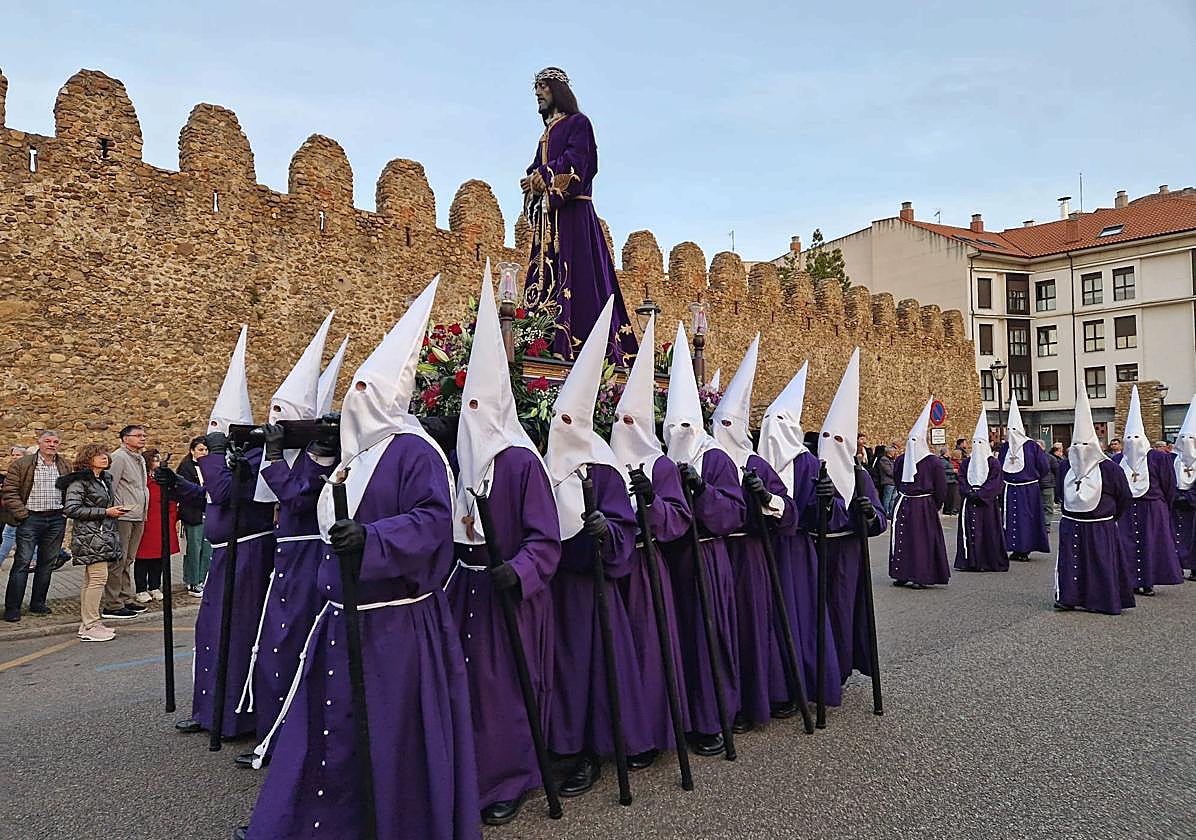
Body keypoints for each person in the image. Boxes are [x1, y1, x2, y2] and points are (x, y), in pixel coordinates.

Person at [239, 278, 480, 840]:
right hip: (341, 616)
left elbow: (430, 519)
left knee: (388, 729)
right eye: (356, 389)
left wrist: (371, 539)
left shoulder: (414, 450)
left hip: (394, 621)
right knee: (331, 727)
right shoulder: (355, 457)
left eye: (368, 390)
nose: (356, 400)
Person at [444, 265, 560, 826]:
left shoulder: (520, 463)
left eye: (478, 408)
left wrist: (520, 570)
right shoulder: (461, 464)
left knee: (504, 687)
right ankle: (469, 772)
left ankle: (512, 777)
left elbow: (546, 538)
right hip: (467, 587)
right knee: (466, 683)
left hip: (512, 593)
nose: (471, 419)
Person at [544, 297, 651, 795]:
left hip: (596, 588)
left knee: (600, 669)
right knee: (566, 672)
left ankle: (602, 746)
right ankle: (570, 747)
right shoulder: (545, 467)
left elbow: (625, 526)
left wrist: (604, 533)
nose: (561, 428)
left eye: (570, 419)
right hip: (558, 586)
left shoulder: (603, 465)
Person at [235, 311, 336, 769]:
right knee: (274, 643)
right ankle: (270, 730)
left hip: (309, 555)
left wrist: (275, 457)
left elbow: (297, 499)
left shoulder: (320, 454)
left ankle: (290, 738)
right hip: (286, 554)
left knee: (291, 643)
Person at [175, 326, 277, 739]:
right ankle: (207, 710)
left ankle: (236, 714)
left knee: (237, 632)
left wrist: (215, 457)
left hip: (249, 555)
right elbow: (212, 497)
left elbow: (228, 492)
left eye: (220, 429)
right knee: (211, 631)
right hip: (225, 555)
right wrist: (177, 485)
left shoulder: (253, 456)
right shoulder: (229, 457)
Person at [608, 313, 694, 768]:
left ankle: (652, 732)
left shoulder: (660, 466)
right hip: (613, 569)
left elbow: (679, 518)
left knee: (650, 650)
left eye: (632, 418)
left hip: (647, 568)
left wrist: (651, 507)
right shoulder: (603, 460)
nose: (625, 426)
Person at [660, 322, 745, 758]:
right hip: (671, 562)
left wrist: (702, 492)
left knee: (708, 638)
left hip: (708, 562)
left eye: (685, 423)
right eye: (672, 423)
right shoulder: (659, 460)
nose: (678, 431)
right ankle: (680, 718)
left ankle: (713, 717)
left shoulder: (714, 458)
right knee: (676, 643)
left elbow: (732, 513)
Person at [711, 334, 801, 731]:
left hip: (748, 557)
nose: (723, 429)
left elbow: (789, 512)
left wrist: (767, 498)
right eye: (718, 422)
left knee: (751, 626)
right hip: (715, 555)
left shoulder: (755, 463)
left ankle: (754, 700)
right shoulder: (703, 461)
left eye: (729, 422)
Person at [521, 66, 637, 364]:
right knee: (547, 279)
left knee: (580, 279)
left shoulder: (579, 123)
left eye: (543, 87)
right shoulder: (545, 133)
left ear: (557, 91)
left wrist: (543, 177)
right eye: (536, 87)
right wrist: (532, 183)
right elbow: (536, 168)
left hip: (574, 216)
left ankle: (582, 348)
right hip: (551, 221)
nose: (537, 93)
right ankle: (539, 342)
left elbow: (579, 162)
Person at [757, 359, 842, 709]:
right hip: (761, 550)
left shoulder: (807, 464)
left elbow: (826, 513)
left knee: (798, 617)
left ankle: (801, 684)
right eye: (767, 422)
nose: (772, 429)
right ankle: (770, 689)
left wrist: (824, 503)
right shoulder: (754, 460)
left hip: (796, 554)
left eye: (779, 421)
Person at [814, 349, 887, 689]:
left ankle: (838, 669)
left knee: (842, 613)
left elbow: (879, 518)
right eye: (826, 437)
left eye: (838, 438)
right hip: (813, 553)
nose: (831, 444)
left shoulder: (859, 476)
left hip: (846, 555)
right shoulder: (811, 472)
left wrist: (867, 514)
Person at [1055, 385, 1134, 614]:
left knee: (1100, 562)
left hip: (1100, 524)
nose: (1080, 450)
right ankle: (1068, 597)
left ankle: (1102, 599)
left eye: (1085, 445)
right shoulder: (1065, 466)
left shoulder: (1110, 469)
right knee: (1070, 562)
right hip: (1071, 522)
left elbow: (1124, 497)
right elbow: (1061, 491)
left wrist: (1109, 517)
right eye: (1076, 445)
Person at [1110, 386, 1183, 596]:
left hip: (1152, 508)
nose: (1132, 443)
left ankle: (1149, 580)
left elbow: (1170, 485)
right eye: (1128, 439)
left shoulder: (1159, 458)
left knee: (1152, 544)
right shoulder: (1117, 460)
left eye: (1136, 439)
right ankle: (1130, 580)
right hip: (1127, 509)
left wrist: (1161, 506)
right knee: (1127, 544)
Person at [58, 444, 125, 642]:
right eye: (98, 455)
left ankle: (89, 622)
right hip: (89, 536)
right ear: (88, 459)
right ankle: (90, 624)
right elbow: (71, 509)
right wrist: (105, 512)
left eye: (105, 454)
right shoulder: (79, 481)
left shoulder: (104, 479)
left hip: (102, 534)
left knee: (92, 580)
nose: (104, 457)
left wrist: (113, 510)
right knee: (97, 578)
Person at [3, 431, 71, 623]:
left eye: (55, 442)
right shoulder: (22, 464)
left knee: (47, 564)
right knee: (22, 563)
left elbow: (70, 489)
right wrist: (23, 514)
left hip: (56, 518)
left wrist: (66, 510)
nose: (52, 444)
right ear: (39, 443)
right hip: (30, 519)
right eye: (47, 441)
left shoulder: (64, 464)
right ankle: (13, 608)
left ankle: (38, 603)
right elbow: (10, 491)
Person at [889, 400, 949, 589]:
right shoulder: (901, 460)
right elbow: (897, 478)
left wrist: (933, 505)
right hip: (906, 502)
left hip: (923, 506)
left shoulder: (932, 462)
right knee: (901, 538)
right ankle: (901, 572)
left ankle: (921, 575)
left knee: (920, 541)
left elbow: (941, 487)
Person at [105, 424, 150, 618]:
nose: (142, 438)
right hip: (123, 515)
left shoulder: (139, 458)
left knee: (128, 559)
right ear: (125, 438)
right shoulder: (119, 457)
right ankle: (113, 603)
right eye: (138, 435)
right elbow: (110, 486)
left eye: (143, 435)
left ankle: (125, 597)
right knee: (118, 559)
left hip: (139, 514)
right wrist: (113, 511)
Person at [998, 398, 1051, 562]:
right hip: (1009, 488)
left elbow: (1044, 466)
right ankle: (1013, 547)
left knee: (1026, 518)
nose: (1011, 433)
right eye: (1009, 430)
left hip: (1028, 489)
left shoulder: (1031, 446)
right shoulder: (1005, 447)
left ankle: (1025, 548)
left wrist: (1033, 479)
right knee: (1010, 518)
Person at [954, 410, 1007, 572]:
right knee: (970, 531)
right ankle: (970, 561)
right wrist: (968, 492)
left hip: (986, 504)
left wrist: (981, 494)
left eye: (980, 443)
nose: (977, 446)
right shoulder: (967, 462)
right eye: (974, 442)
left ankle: (987, 561)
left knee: (987, 532)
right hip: (970, 502)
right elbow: (961, 478)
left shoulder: (993, 463)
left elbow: (995, 481)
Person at [134, 448, 177, 602]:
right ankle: (140, 589)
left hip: (161, 521)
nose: (158, 462)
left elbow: (172, 498)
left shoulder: (163, 479)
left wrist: (172, 517)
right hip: (146, 522)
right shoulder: (143, 480)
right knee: (143, 558)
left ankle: (154, 586)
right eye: (155, 459)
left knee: (159, 558)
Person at [176, 437, 211, 596]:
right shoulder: (186, 467)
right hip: (193, 512)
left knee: (207, 548)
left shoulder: (211, 465)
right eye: (200, 450)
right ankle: (192, 580)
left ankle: (203, 578)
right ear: (192, 451)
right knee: (194, 548)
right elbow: (185, 490)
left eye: (205, 450)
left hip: (209, 511)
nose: (204, 453)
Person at [1170, 399, 1196, 581]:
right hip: (1176, 505)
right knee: (1174, 536)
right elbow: (1167, 480)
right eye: (1184, 439)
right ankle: (1175, 566)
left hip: (1193, 507)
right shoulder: (1173, 459)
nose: (1186, 442)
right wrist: (1175, 496)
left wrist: (1190, 497)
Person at [1, 445, 30, 570]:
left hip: (20, 509)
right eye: (13, 455)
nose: (14, 457)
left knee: (9, 535)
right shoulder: (15, 468)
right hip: (13, 509)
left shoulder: (25, 469)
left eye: (17, 455)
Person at [874, 445, 897, 518]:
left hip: (894, 482)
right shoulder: (884, 460)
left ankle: (891, 513)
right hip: (888, 482)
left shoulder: (892, 460)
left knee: (893, 499)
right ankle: (885, 512)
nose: (895, 453)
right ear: (889, 452)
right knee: (887, 498)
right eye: (894, 452)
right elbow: (889, 471)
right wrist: (898, 473)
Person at [939, 447, 959, 515]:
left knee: (951, 497)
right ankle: (948, 510)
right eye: (948, 452)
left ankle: (950, 509)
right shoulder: (943, 461)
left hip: (951, 480)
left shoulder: (947, 460)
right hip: (948, 481)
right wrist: (952, 471)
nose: (949, 453)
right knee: (949, 496)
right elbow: (942, 470)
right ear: (945, 453)